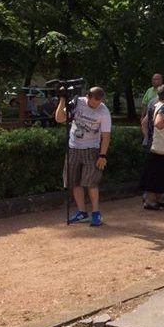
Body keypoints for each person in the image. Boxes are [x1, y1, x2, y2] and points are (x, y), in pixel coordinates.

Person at [56, 87, 112, 227]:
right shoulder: (76, 103)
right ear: (88, 96)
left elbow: (106, 136)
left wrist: (102, 155)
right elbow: (59, 118)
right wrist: (63, 99)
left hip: (91, 149)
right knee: (74, 181)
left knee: (91, 182)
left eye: (99, 103)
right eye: (93, 103)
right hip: (74, 147)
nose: (96, 106)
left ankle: (96, 213)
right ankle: (82, 212)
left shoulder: (103, 112)